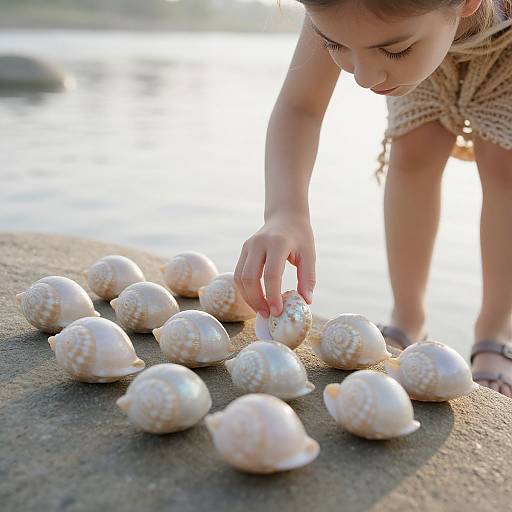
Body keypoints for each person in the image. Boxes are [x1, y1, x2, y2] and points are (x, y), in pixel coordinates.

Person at [233, 0, 512, 397]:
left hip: (502, 41)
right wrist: (285, 211)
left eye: (392, 49)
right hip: (423, 36)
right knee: (414, 152)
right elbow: (300, 107)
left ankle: (494, 332)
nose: (363, 77)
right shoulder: (349, 12)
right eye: (335, 45)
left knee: (505, 170)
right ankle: (407, 317)